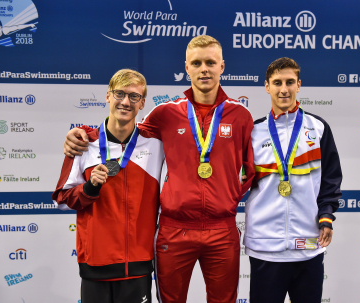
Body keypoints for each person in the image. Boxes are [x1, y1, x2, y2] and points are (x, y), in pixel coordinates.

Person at [63, 35, 255, 303]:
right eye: (196, 63)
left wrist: (230, 195)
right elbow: (123, 131)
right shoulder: (165, 113)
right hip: (175, 229)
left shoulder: (240, 115)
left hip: (221, 227)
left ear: (222, 66)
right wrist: (83, 132)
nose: (204, 69)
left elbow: (252, 169)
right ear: (186, 68)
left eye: (210, 62)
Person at [52, 69, 164, 303]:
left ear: (142, 103)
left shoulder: (156, 143)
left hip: (138, 265)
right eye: (119, 94)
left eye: (134, 96)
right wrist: (90, 188)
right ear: (107, 96)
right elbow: (61, 200)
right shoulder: (84, 143)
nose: (125, 102)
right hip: (96, 265)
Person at [244, 57, 342, 303]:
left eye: (289, 82)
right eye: (277, 83)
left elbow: (331, 178)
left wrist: (327, 216)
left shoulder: (318, 128)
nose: (284, 89)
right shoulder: (253, 132)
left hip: (308, 244)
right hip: (265, 247)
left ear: (299, 85)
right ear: (267, 86)